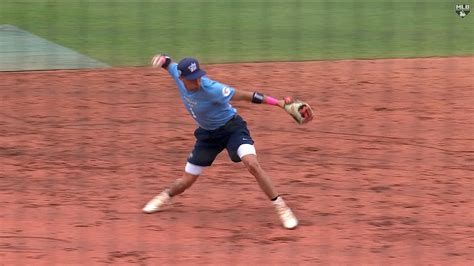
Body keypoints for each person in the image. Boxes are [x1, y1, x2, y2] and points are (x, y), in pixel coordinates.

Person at [143, 54, 308, 229]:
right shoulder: (178, 74)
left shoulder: (213, 89)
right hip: (208, 136)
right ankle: (166, 196)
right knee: (187, 181)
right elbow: (168, 63)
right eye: (192, 79)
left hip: (232, 129)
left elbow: (247, 96)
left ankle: (281, 206)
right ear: (182, 77)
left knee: (252, 163)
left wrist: (279, 103)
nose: (197, 81)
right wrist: (162, 59)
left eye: (198, 76)